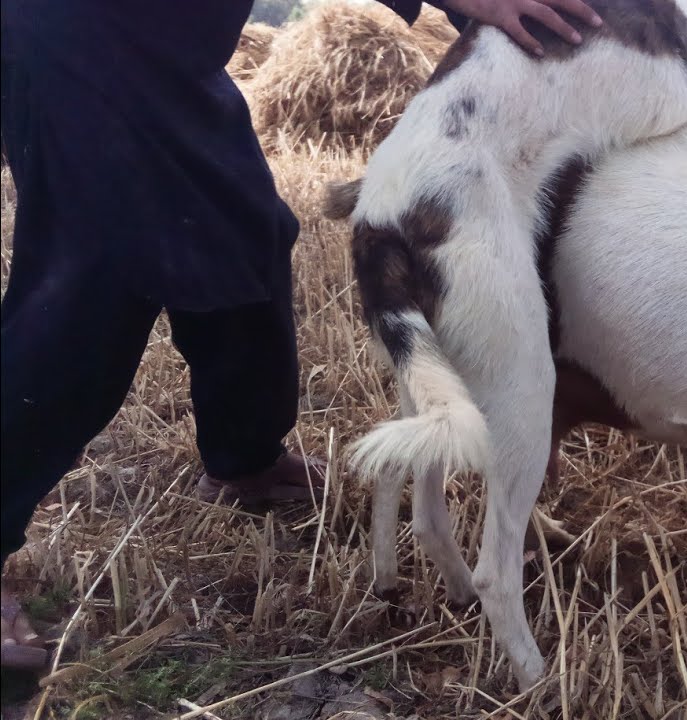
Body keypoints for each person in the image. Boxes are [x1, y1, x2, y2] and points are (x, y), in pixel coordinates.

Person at [0, 0, 601, 672]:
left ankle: (244, 460)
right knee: (89, 293)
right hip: (78, 30)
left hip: (170, 47)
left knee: (249, 238)